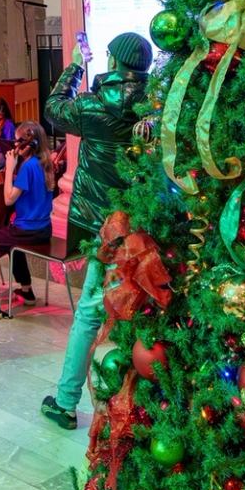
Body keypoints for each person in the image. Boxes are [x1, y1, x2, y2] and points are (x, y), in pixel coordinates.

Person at [38, 31, 153, 429]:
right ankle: (142, 403)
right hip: (144, 227)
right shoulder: (157, 105)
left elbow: (52, 107)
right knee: (144, 310)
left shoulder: (91, 105)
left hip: (102, 231)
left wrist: (74, 64)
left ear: (114, 61)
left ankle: (66, 401)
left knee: (89, 313)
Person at [0, 122, 53, 317]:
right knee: (11, 243)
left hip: (27, 230)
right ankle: (26, 290)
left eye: (16, 142)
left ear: (27, 144)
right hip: (44, 229)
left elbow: (8, 199)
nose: (13, 146)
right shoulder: (44, 162)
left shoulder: (28, 167)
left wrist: (9, 167)